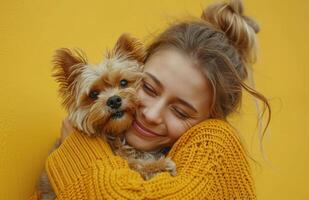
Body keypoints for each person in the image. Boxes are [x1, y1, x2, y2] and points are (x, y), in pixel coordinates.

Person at [43, 0, 271, 199]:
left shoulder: (217, 144)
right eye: (148, 88)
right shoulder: (110, 135)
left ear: (212, 116)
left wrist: (79, 150)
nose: (150, 115)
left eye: (180, 112)